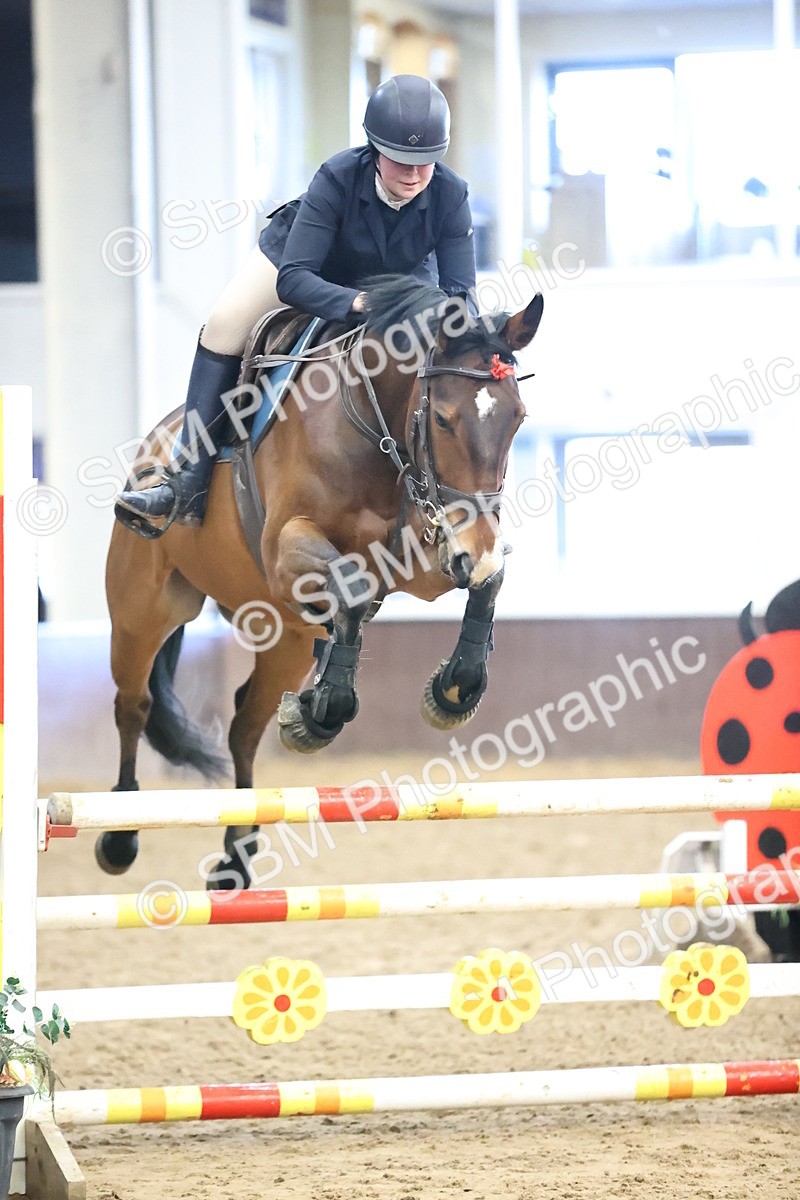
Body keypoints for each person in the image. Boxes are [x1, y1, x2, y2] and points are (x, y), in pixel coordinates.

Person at [116, 73, 477, 531]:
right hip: (310, 263)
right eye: (399, 159)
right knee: (224, 323)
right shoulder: (336, 177)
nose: (412, 174)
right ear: (373, 150)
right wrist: (359, 304)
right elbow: (293, 280)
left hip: (395, 280)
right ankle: (187, 480)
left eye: (424, 162)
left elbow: (462, 294)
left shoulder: (451, 193)